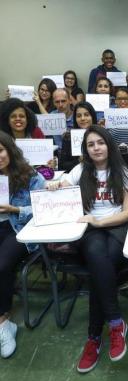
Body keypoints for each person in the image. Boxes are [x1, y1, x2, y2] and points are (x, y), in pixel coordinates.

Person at [48, 125, 128, 373]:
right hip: (88, 231)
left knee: (100, 268)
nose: (96, 148)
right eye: (90, 144)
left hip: (116, 228)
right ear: (85, 149)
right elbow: (63, 184)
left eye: (100, 142)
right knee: (98, 255)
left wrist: (99, 221)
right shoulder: (80, 170)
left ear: (109, 145)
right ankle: (115, 324)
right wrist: (56, 185)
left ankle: (94, 338)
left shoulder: (122, 172)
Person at [0, 131, 45, 359]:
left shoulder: (31, 176)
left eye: (0, 150)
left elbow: (43, 208)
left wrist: (15, 209)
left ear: (9, 150)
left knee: (2, 265)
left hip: (18, 228)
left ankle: (4, 323)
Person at [59, 101, 97, 172]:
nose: (82, 118)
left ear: (92, 116)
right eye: (79, 116)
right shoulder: (68, 137)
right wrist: (78, 161)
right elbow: (62, 165)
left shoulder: (101, 134)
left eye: (86, 115)